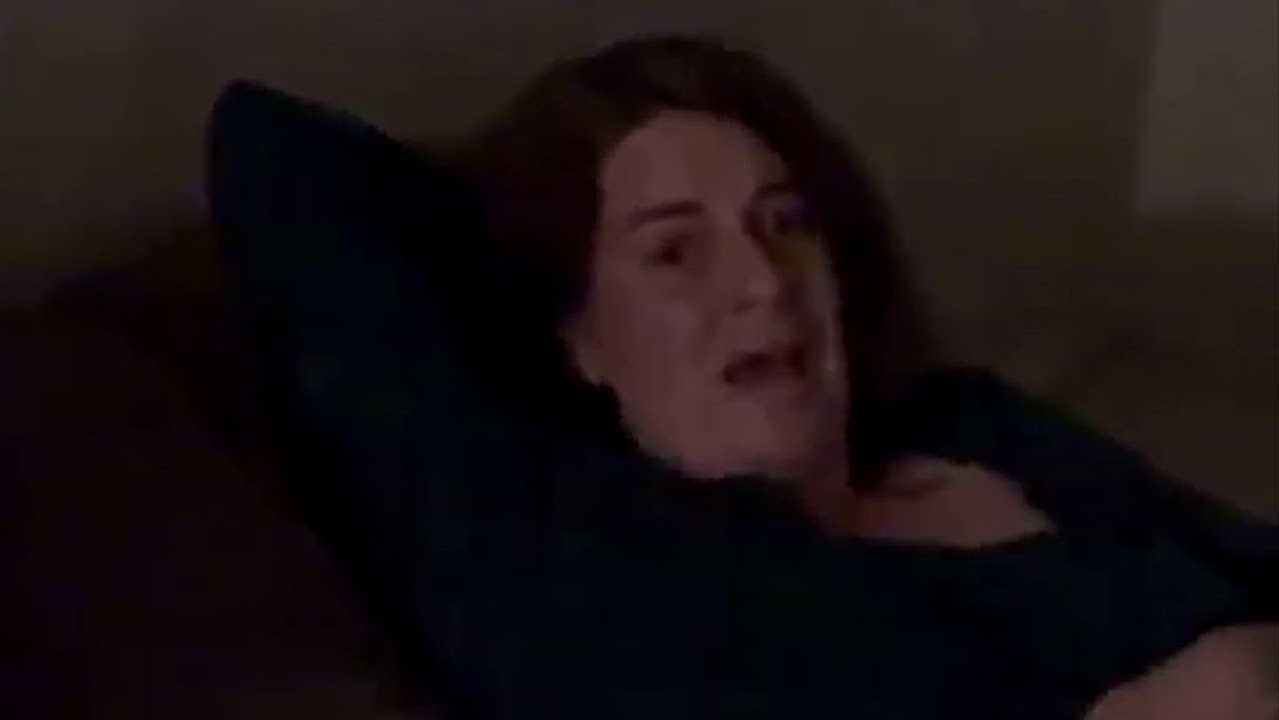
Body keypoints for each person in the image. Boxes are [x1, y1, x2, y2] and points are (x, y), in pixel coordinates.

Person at [209, 36, 1277, 719]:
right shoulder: (622, 578)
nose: (764, 283)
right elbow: (271, 151)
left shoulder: (961, 421)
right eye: (675, 251)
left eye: (785, 223)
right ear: (575, 334)